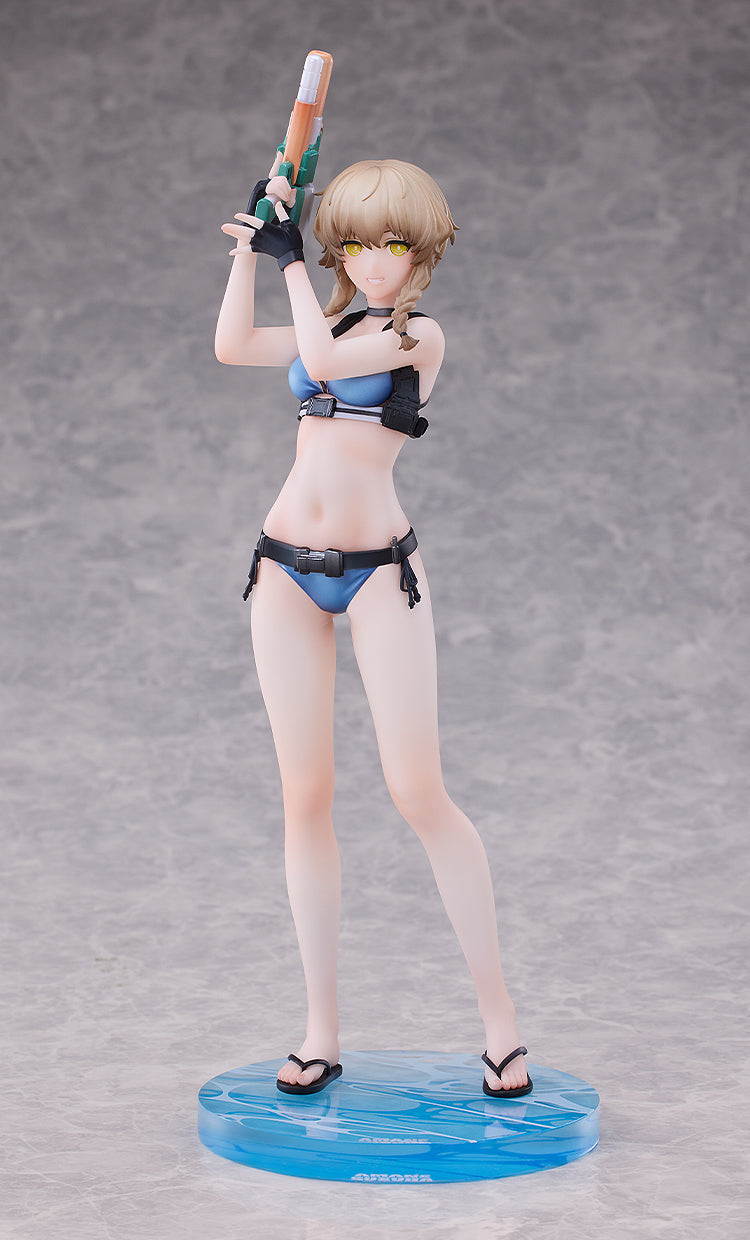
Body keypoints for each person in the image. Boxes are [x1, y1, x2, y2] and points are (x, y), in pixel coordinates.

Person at [216, 157, 532, 1099]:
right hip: (284, 567)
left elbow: (322, 362)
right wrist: (252, 246)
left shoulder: (416, 335)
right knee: (304, 797)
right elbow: (234, 346)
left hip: (380, 574)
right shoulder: (338, 319)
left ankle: (502, 1025)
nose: (372, 260)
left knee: (418, 791)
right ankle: (320, 1030)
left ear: (423, 250)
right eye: (352, 242)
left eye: (392, 241)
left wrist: (290, 264)